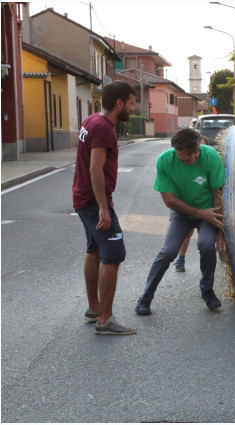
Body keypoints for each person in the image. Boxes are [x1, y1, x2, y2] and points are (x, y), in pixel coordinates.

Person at [135, 128, 226, 315]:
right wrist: (199, 213)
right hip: (182, 213)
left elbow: (218, 194)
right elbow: (169, 200)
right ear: (176, 151)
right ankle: (145, 298)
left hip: (209, 211)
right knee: (168, 251)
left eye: (195, 153)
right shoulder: (164, 162)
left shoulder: (210, 156)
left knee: (207, 245)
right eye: (187, 156)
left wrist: (222, 232)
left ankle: (207, 291)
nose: (192, 159)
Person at [72, 81, 137, 335]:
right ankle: (106, 320)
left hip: (82, 198)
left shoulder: (91, 121)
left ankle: (94, 308)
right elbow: (95, 168)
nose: (132, 108)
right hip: (92, 202)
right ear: (119, 103)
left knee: (94, 250)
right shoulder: (104, 129)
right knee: (114, 255)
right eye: (131, 103)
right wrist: (103, 207)